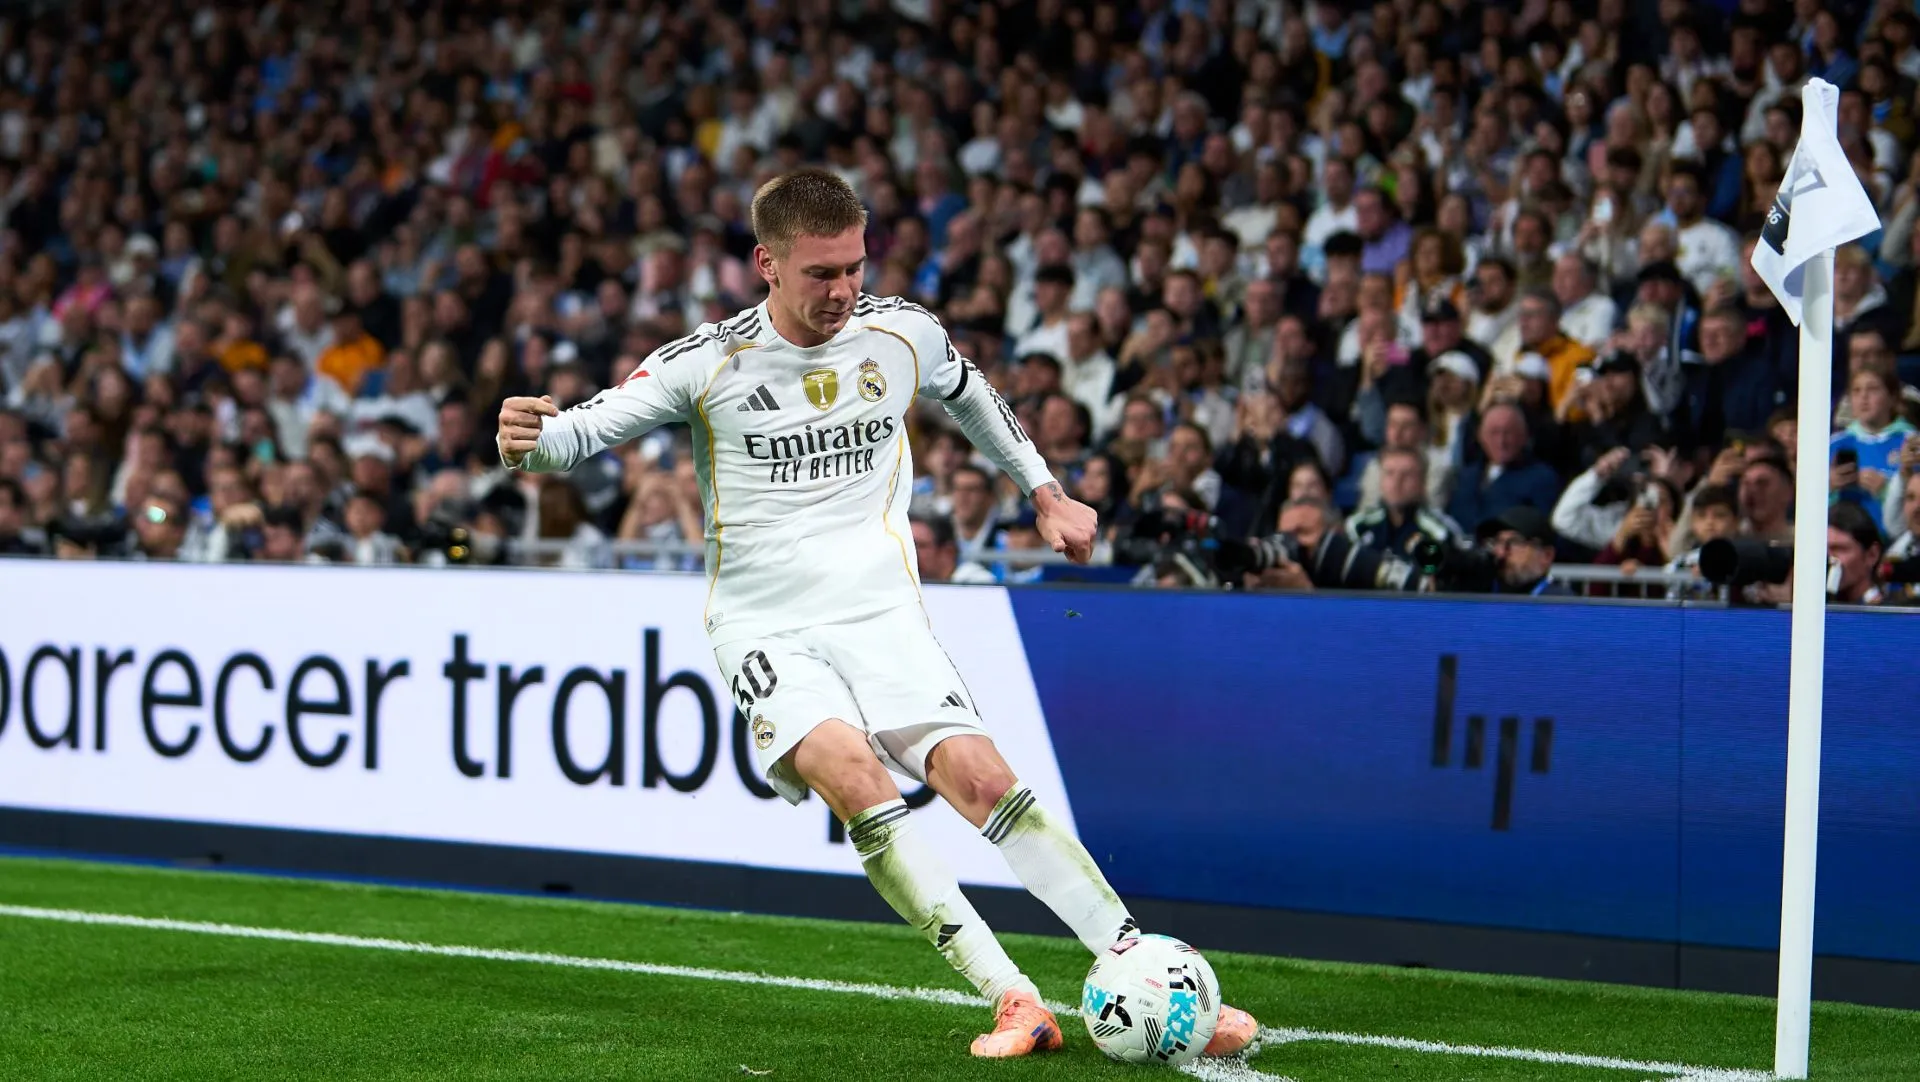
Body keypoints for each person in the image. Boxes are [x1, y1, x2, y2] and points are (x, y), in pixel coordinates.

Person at [495, 169, 1256, 1060]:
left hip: (881, 613)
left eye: (854, 267)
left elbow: (973, 395)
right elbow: (581, 433)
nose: (843, 290)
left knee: (986, 782)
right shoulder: (708, 363)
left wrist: (1044, 493)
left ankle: (1148, 971)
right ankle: (1014, 998)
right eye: (821, 273)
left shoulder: (902, 334)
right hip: (766, 627)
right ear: (765, 265)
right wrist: (529, 441)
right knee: (857, 778)